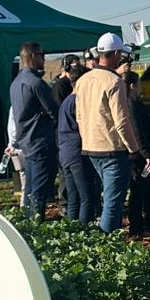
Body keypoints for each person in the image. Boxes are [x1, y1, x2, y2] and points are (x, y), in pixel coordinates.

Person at [74, 33, 147, 234]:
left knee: (108, 198)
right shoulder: (114, 82)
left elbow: (79, 116)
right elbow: (122, 121)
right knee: (113, 204)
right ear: (115, 54)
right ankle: (106, 246)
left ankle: (105, 244)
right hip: (112, 149)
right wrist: (134, 150)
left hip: (90, 148)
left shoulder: (83, 80)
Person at [9, 42, 59, 220]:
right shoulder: (36, 83)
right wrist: (45, 115)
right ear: (31, 57)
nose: (44, 59)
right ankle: (36, 226)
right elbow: (55, 112)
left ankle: (28, 224)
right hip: (40, 142)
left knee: (30, 189)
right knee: (38, 192)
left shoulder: (15, 83)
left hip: (27, 143)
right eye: (41, 55)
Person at [57, 66, 98, 223]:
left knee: (73, 197)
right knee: (87, 197)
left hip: (66, 153)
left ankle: (72, 231)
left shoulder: (66, 101)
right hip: (78, 154)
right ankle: (84, 231)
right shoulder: (78, 102)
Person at [126, 73, 150, 236]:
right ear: (133, 86)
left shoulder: (133, 103)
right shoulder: (131, 105)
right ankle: (137, 227)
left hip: (140, 153)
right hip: (138, 155)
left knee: (147, 190)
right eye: (138, 84)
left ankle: (149, 223)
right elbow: (137, 133)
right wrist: (147, 154)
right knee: (139, 191)